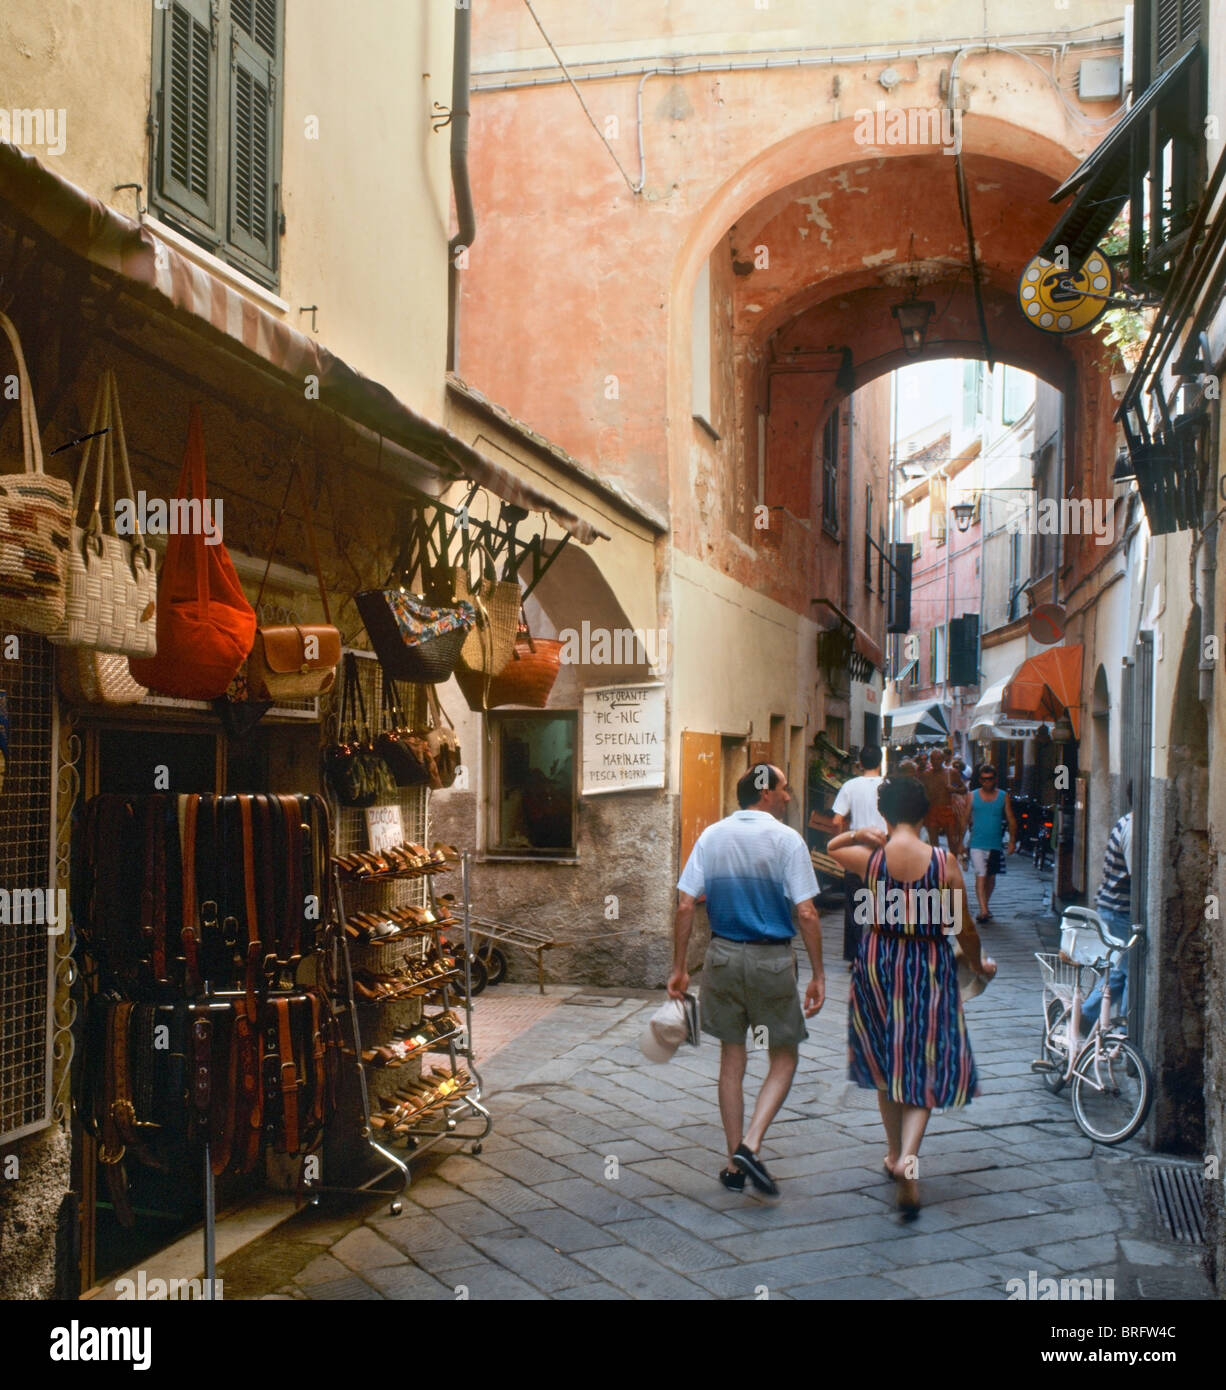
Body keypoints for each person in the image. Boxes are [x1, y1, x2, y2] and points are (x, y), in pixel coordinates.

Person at [828, 777, 995, 1216]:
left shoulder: (871, 860)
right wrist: (978, 965)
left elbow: (831, 849)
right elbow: (965, 928)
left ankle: (892, 1151)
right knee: (925, 1060)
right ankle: (908, 1159)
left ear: (884, 815)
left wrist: (858, 834)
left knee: (886, 1059)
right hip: (927, 965)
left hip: (877, 961)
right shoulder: (943, 863)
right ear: (924, 816)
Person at [669, 764, 824, 1196]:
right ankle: (751, 1144)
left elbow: (685, 905)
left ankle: (733, 1160)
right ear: (765, 793)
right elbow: (808, 912)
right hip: (770, 959)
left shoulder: (712, 835)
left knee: (731, 1059)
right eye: (784, 789)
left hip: (720, 957)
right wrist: (818, 973)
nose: (789, 797)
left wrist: (680, 967)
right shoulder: (786, 839)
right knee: (784, 1054)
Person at [1081, 784, 1134, 1027]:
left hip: (1114, 908)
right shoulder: (1131, 828)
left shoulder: (1126, 822)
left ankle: (1085, 1016)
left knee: (1117, 971)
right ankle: (1124, 1031)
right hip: (1118, 910)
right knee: (1129, 972)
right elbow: (1136, 877)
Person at [831, 744, 887, 965]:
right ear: (881, 761)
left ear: (860, 763)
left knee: (854, 904)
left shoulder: (850, 786)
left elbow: (837, 821)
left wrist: (845, 842)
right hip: (884, 851)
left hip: (857, 851)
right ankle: (879, 952)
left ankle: (855, 956)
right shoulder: (889, 785)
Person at [966, 763, 1017, 923]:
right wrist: (959, 842)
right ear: (980, 780)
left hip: (995, 843)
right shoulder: (972, 796)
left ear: (995, 779)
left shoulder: (1003, 796)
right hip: (977, 842)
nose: (987, 782)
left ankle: (984, 906)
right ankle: (984, 909)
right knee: (981, 874)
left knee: (991, 878)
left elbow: (1011, 819)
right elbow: (964, 819)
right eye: (983, 779)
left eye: (990, 779)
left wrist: (1012, 841)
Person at [919, 748, 960, 856]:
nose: (935, 762)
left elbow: (964, 789)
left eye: (938, 759)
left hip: (947, 809)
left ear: (943, 759)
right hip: (931, 810)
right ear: (930, 760)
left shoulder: (951, 772)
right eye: (933, 759)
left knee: (952, 842)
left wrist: (954, 790)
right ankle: (937, 866)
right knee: (933, 844)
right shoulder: (925, 775)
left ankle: (953, 865)